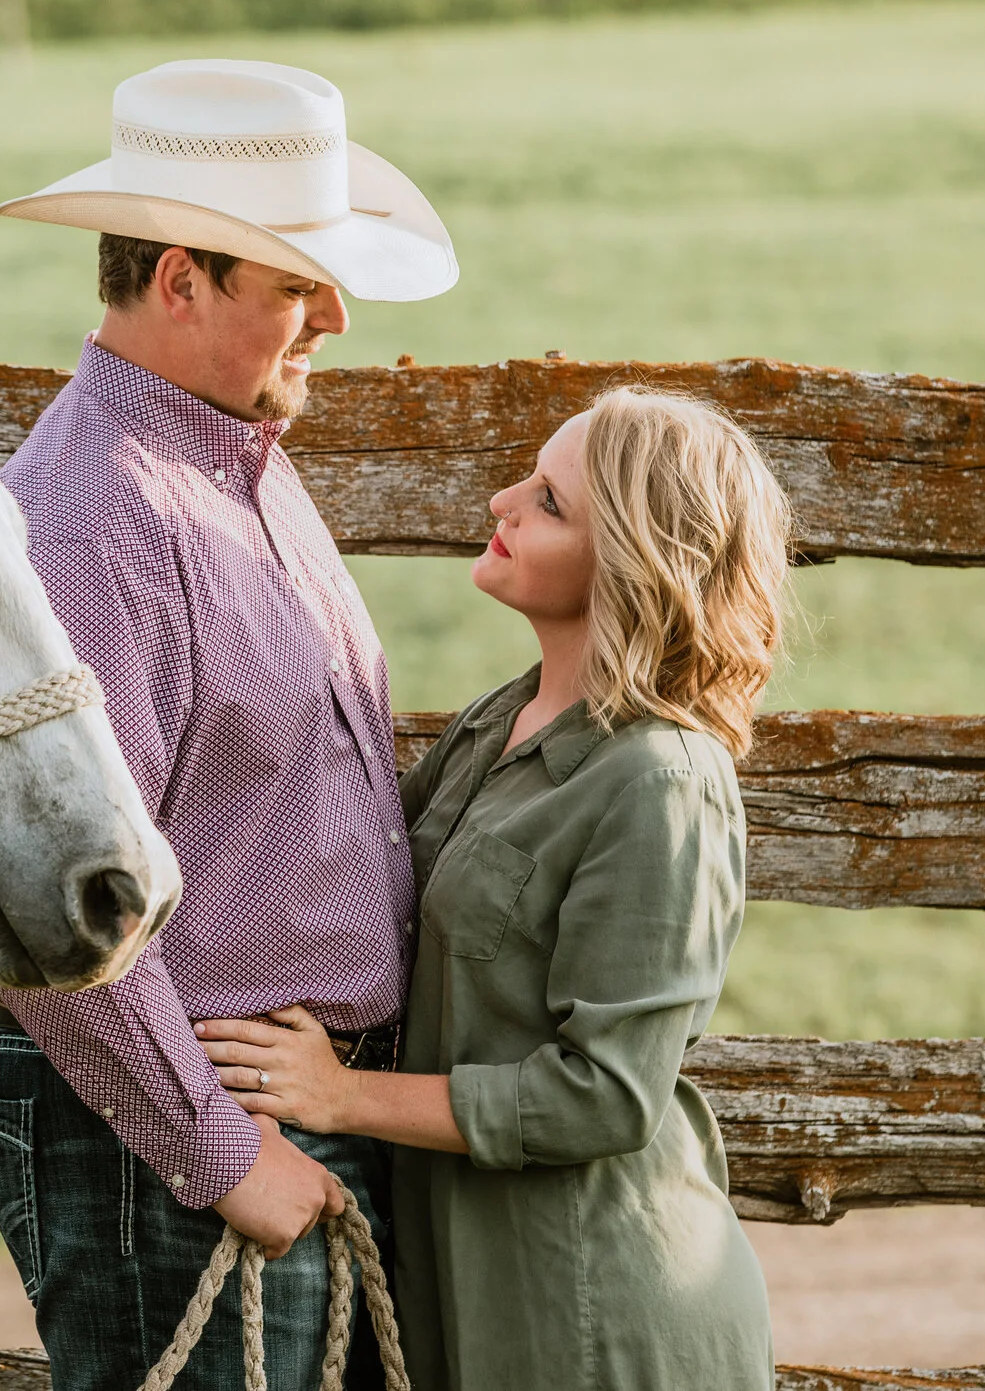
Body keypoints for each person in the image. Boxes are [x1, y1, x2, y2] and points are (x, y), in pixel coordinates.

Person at [0, 58, 460, 1391]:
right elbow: (50, 899)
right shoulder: (92, 523)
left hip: (267, 1113)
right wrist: (216, 1147)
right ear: (180, 280)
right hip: (181, 1136)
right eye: (296, 283)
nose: (335, 317)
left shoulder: (232, 464)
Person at [197, 387, 789, 1390]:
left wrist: (340, 1094)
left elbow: (606, 1093)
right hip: (461, 1292)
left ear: (632, 562)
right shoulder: (497, 719)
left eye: (549, 502)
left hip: (595, 1314)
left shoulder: (663, 780)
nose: (500, 500)